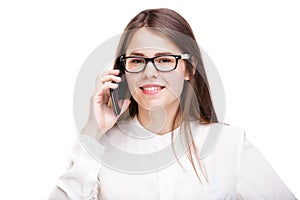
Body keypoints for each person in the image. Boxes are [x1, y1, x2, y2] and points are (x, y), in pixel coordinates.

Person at [49, 8, 296, 200]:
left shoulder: (229, 145)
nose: (149, 73)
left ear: (189, 68)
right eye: (136, 61)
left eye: (164, 59)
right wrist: (93, 131)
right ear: (123, 71)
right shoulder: (101, 149)